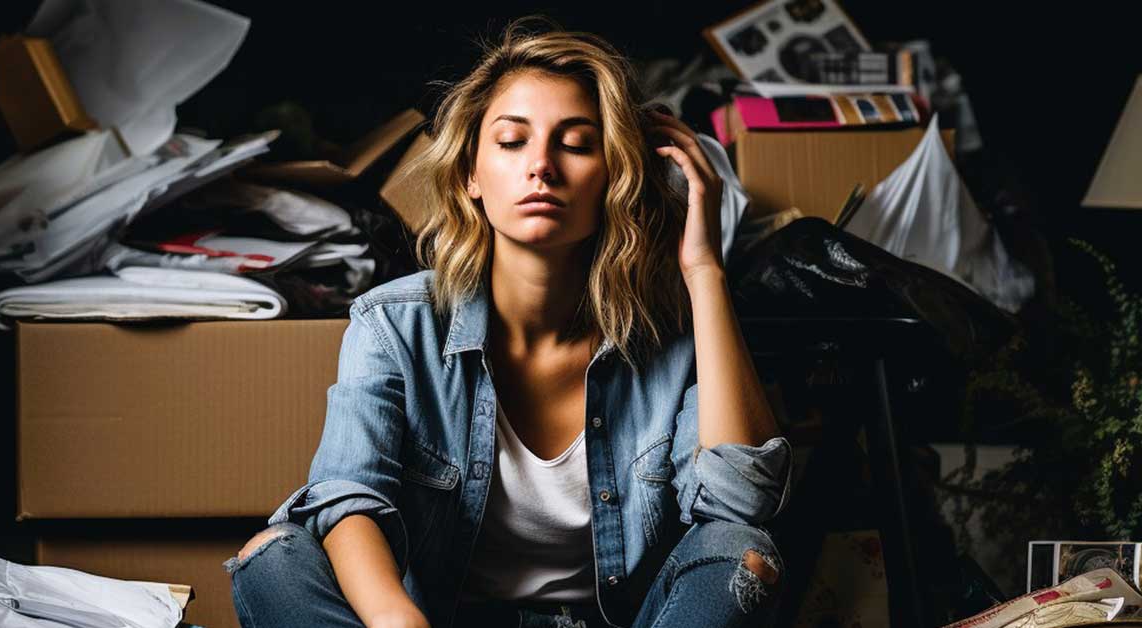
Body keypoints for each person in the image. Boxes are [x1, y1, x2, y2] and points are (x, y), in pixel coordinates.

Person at [225, 19, 791, 628]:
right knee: (272, 557)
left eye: (576, 143)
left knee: (741, 554)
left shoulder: (670, 335)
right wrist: (400, 621)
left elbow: (739, 505)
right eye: (512, 141)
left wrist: (703, 271)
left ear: (615, 175)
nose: (541, 166)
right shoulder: (392, 325)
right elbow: (348, 495)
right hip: (442, 621)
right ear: (471, 173)